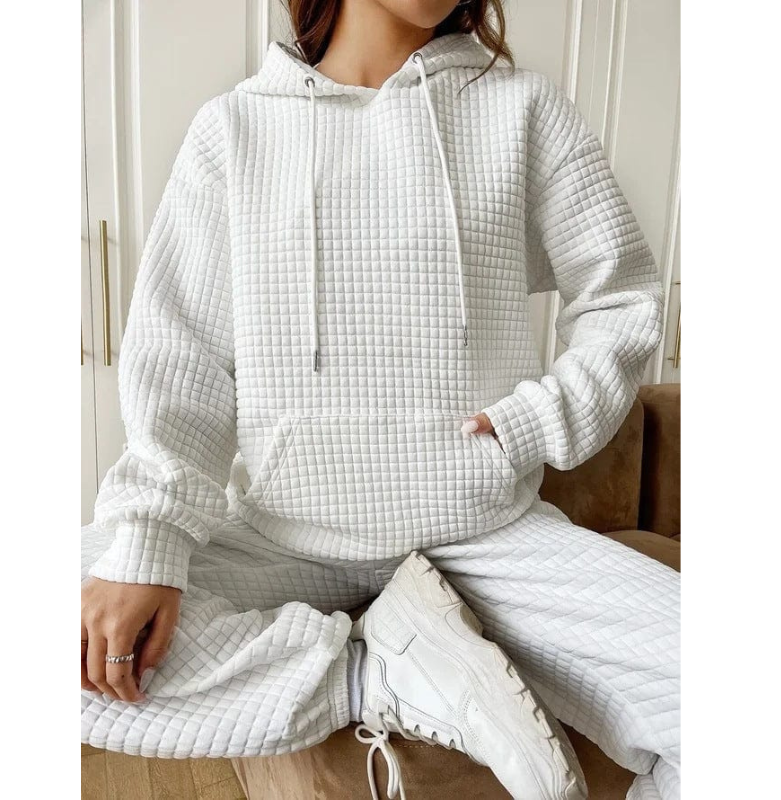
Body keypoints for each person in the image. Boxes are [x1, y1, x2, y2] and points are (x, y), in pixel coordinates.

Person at [80, 2, 679, 798]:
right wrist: (151, 539)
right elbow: (181, 356)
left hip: (488, 535)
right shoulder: (234, 131)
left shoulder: (524, 110)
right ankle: (381, 674)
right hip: (286, 537)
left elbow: (622, 300)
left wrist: (536, 422)